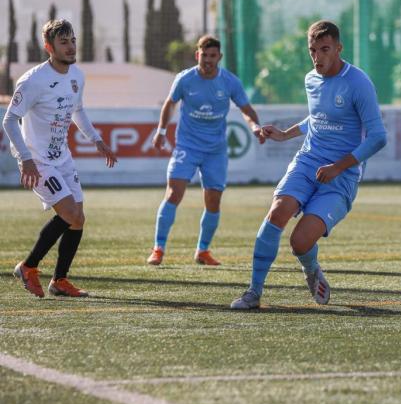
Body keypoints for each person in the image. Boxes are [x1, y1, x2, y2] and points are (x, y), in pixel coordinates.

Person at [230, 20, 387, 310]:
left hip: (341, 176)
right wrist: (285, 134)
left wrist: (338, 167)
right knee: (277, 212)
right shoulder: (311, 79)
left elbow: (378, 137)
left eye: (324, 49)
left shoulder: (358, 83)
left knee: (299, 242)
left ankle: (311, 268)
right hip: (307, 161)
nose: (317, 57)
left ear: (338, 48)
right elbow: (317, 118)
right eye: (312, 50)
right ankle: (253, 292)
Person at [2, 19, 118, 298]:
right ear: (49, 47)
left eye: (73, 40)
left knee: (78, 219)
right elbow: (10, 120)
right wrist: (26, 159)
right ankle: (28, 266)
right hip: (38, 161)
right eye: (63, 42)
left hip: (62, 158)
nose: (70, 47)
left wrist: (97, 140)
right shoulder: (33, 80)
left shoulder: (77, 76)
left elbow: (78, 110)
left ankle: (59, 281)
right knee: (69, 213)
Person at [146, 35, 264, 266]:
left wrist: (255, 127)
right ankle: (158, 248)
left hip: (215, 151)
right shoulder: (185, 79)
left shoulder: (229, 81)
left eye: (212, 56)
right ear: (197, 55)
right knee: (173, 193)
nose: (208, 60)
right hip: (187, 146)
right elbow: (170, 103)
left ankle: (202, 250)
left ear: (219, 57)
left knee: (213, 201)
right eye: (204, 55)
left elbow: (247, 109)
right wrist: (161, 131)